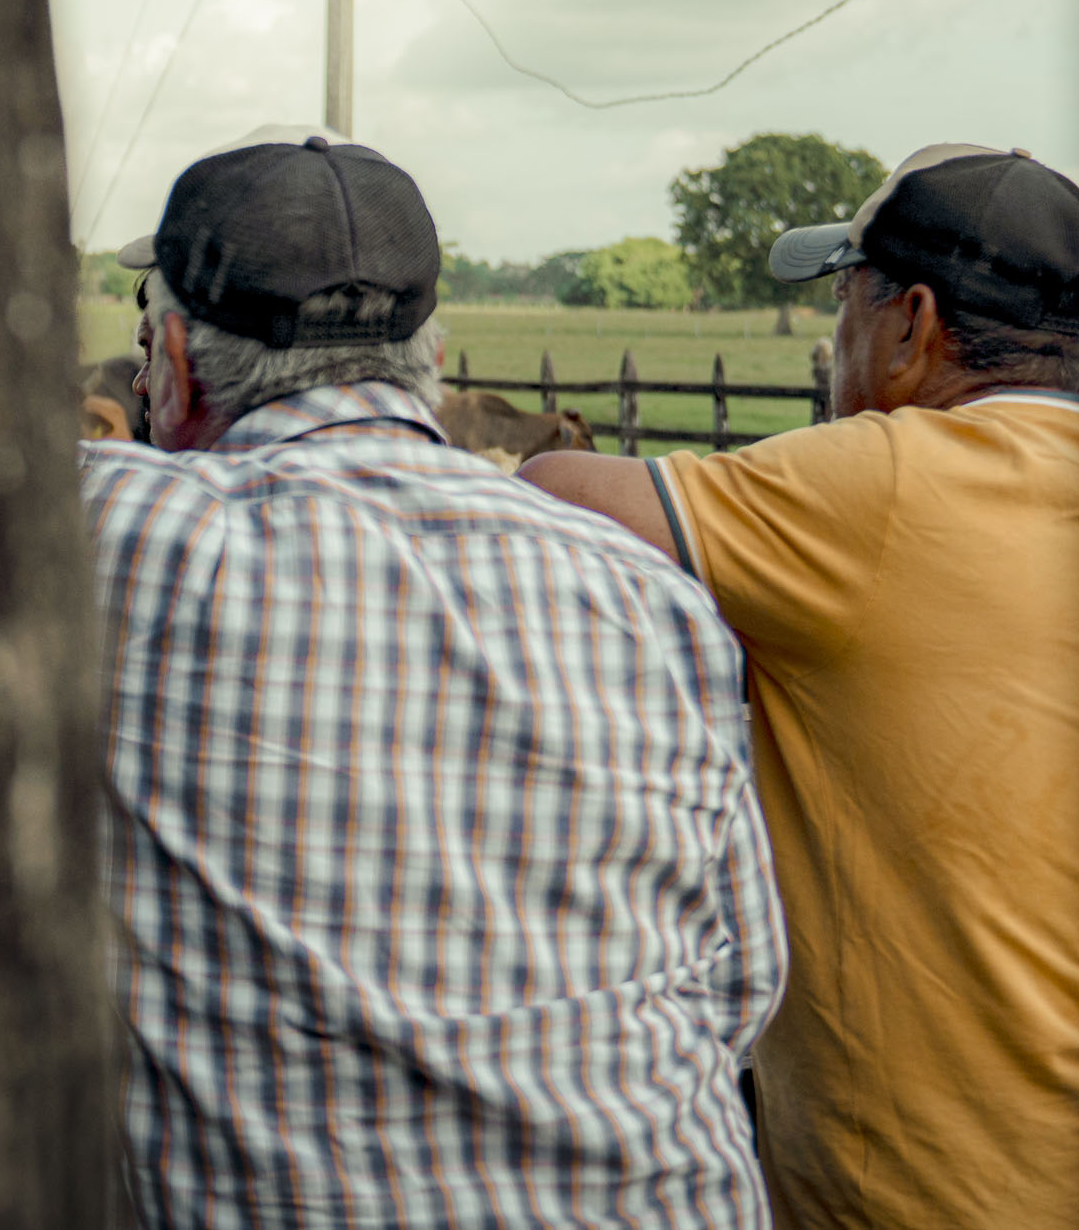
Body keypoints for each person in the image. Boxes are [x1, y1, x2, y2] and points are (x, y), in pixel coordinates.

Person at [85, 132, 784, 1226]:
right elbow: (739, 981)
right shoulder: (647, 597)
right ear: (435, 360)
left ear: (169, 364)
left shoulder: (133, 535)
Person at [520, 143, 1079, 1230]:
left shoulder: (885, 480)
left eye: (841, 299)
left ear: (910, 323)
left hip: (926, 1189)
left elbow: (554, 488)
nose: (833, 343)